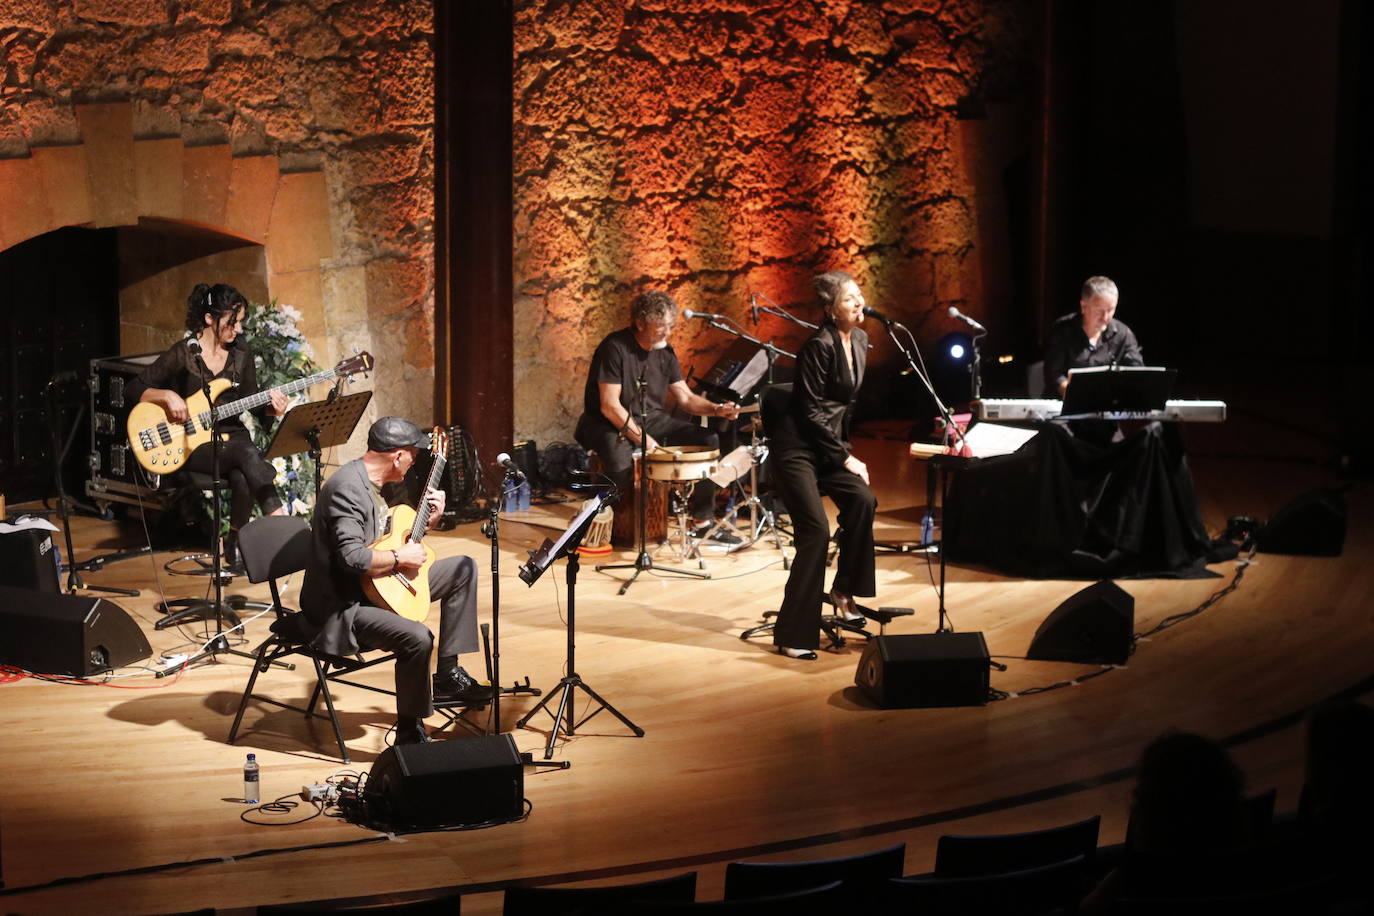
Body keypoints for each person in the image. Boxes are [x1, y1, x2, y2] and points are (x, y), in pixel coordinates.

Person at [300, 416, 490, 745]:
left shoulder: (378, 484)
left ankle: (447, 675)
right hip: (342, 606)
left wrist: (428, 520)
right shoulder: (347, 489)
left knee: (463, 568)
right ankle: (409, 731)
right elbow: (352, 559)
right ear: (397, 456)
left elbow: (387, 540)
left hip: (378, 585)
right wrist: (401, 560)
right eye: (413, 456)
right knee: (417, 637)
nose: (414, 463)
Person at [127, 283, 288, 568]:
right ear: (209, 319)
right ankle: (279, 521)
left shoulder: (241, 355)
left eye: (240, 322)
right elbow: (133, 389)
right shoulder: (185, 352)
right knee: (247, 456)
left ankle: (234, 540)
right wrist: (166, 396)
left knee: (242, 472)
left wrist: (272, 410)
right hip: (191, 442)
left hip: (232, 438)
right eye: (231, 322)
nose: (237, 330)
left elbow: (252, 402)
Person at [768, 270, 877, 660]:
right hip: (796, 448)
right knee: (815, 532)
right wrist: (846, 456)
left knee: (863, 500)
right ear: (831, 310)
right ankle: (791, 633)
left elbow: (842, 407)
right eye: (849, 299)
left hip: (828, 447)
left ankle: (844, 590)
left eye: (859, 295)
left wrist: (841, 451)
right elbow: (811, 413)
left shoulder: (861, 339)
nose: (859, 302)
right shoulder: (817, 345)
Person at [574, 290, 740, 540]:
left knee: (708, 440)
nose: (667, 331)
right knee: (620, 463)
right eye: (661, 325)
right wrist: (643, 439)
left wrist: (716, 409)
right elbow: (609, 406)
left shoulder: (665, 351)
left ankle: (702, 521)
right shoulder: (615, 347)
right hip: (606, 423)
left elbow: (685, 397)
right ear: (640, 323)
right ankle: (596, 523)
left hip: (651, 419)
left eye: (670, 325)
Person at [1042, 275, 1144, 398]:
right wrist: (1077, 397)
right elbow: (1054, 376)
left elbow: (1137, 372)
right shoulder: (1063, 330)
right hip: (1064, 407)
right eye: (1098, 311)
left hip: (1109, 406)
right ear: (1083, 306)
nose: (1105, 317)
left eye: (1110, 310)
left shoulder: (1123, 333)